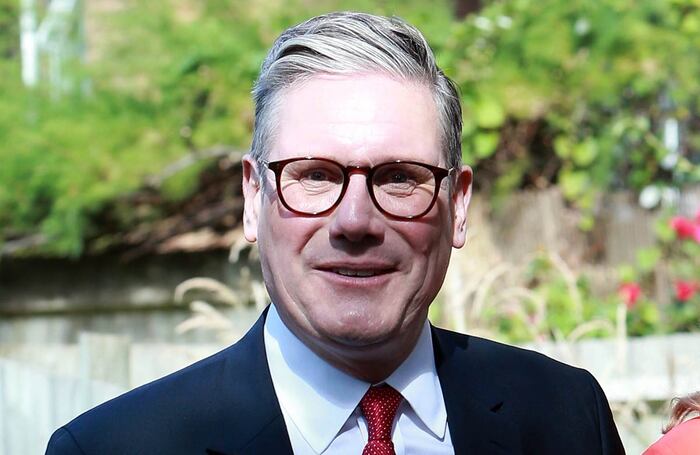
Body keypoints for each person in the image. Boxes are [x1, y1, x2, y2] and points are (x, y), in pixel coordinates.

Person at [46, 12, 625, 455]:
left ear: (458, 204)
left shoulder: (568, 418)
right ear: (254, 198)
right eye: (315, 176)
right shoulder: (113, 447)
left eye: (400, 177)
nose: (354, 222)